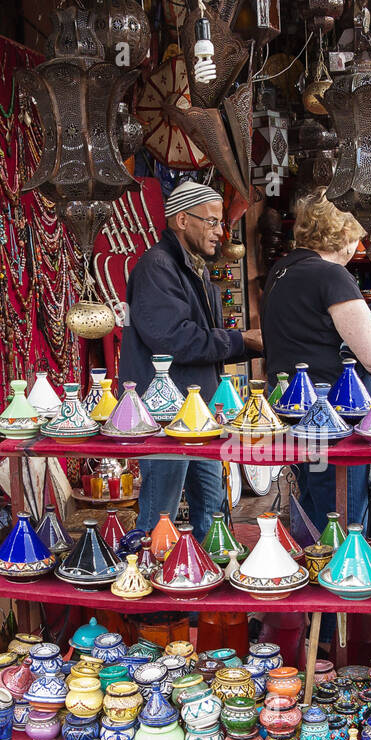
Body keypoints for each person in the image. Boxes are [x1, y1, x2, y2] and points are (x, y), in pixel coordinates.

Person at [121, 181, 262, 531]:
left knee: (213, 507)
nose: (220, 231)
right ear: (182, 220)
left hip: (198, 414)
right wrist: (243, 340)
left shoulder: (192, 269)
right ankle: (147, 574)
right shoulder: (157, 267)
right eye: (212, 221)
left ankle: (206, 573)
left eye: (221, 223)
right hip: (168, 413)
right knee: (160, 512)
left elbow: (198, 343)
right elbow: (174, 341)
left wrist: (245, 344)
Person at [260, 188, 371, 534]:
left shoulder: (281, 272)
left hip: (293, 412)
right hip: (335, 418)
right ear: (347, 234)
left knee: (313, 514)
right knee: (342, 522)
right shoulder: (331, 276)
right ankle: (342, 584)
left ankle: (319, 578)